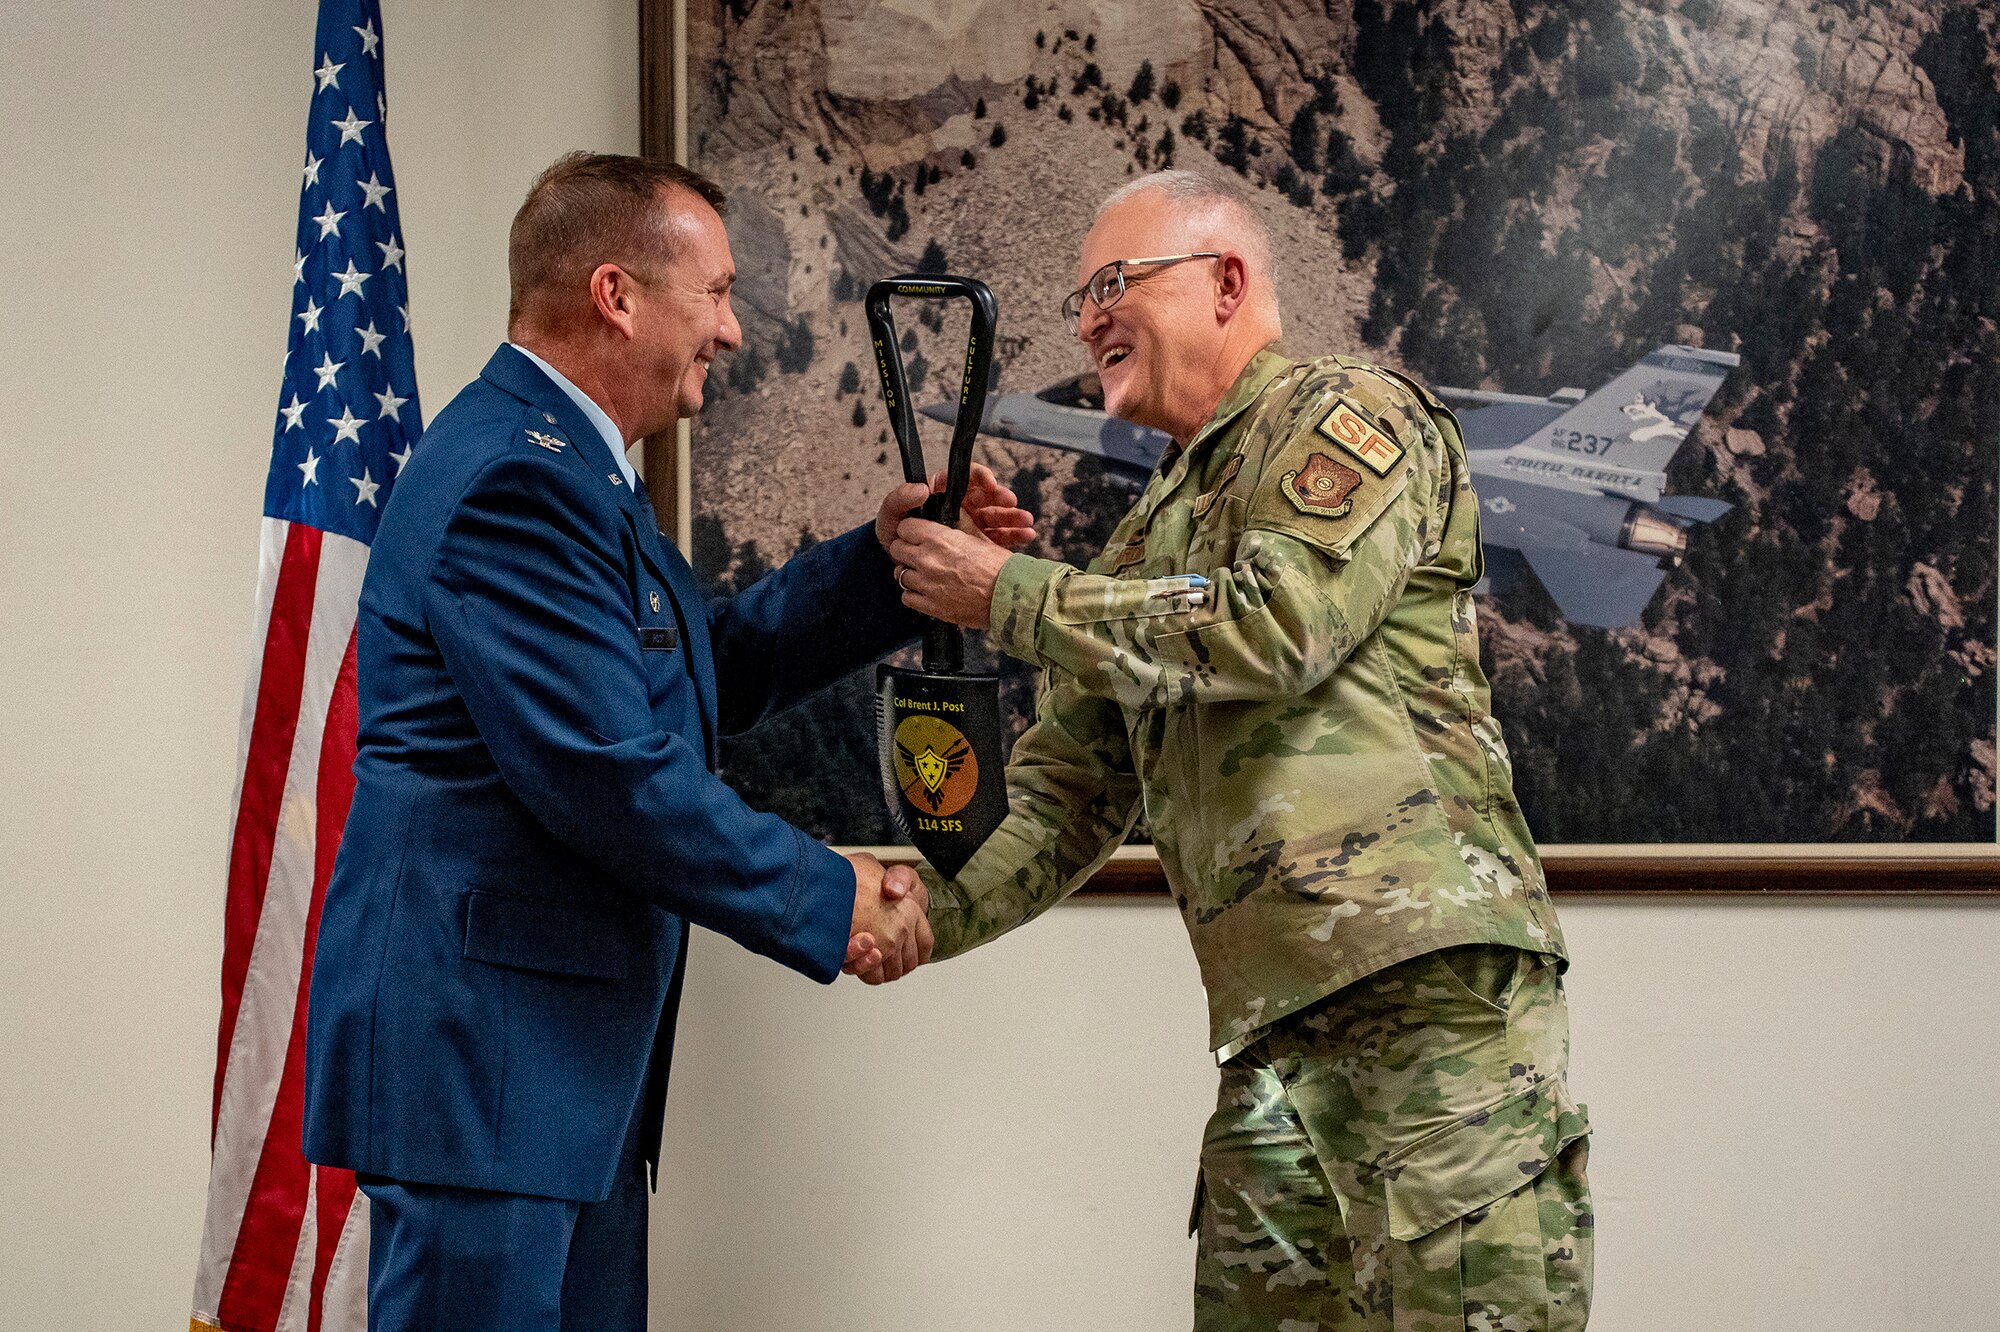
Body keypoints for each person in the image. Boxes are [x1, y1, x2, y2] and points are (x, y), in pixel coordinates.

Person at [301, 152, 1030, 1331]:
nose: (733, 332)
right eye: (718, 294)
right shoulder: (512, 484)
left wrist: (887, 565)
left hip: (549, 1078)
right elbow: (609, 775)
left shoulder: (577, 470)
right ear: (616, 294)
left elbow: (702, 671)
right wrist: (824, 894)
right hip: (485, 1066)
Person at [886, 170, 1594, 1329]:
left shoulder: (1344, 415)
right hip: (1269, 1042)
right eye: (1078, 298)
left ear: (1225, 283)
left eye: (1114, 282)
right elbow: (1067, 791)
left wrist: (1007, 593)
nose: (1086, 318)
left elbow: (1276, 620)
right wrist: (901, 909)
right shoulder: (1145, 529)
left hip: (1431, 1009)